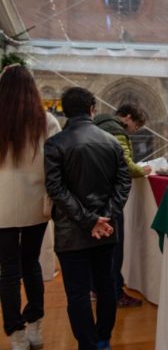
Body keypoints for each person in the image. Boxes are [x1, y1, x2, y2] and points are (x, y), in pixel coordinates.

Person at [45, 87, 131, 350]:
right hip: (105, 231)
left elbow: (56, 189)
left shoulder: (55, 144)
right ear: (92, 108)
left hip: (72, 233)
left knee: (78, 293)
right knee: (106, 287)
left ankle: (88, 344)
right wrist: (102, 218)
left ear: (64, 110)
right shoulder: (111, 141)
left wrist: (87, 220)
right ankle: (104, 339)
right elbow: (124, 183)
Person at [0, 65, 61, 350]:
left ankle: (16, 336)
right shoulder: (45, 120)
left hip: (1, 207)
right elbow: (55, 167)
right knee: (31, 264)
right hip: (36, 205)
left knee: (8, 271)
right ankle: (36, 326)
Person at [93, 104, 149, 307]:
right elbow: (125, 164)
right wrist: (142, 170)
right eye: (136, 125)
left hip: (92, 197)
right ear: (127, 117)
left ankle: (97, 289)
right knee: (114, 248)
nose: (134, 130)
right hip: (110, 199)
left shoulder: (97, 125)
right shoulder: (117, 131)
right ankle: (115, 293)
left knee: (98, 249)